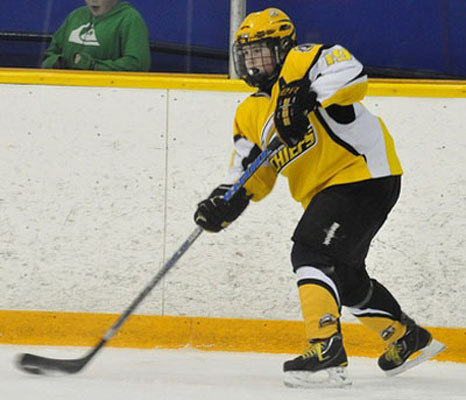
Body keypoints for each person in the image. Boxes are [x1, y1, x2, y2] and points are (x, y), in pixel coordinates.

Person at [193, 8, 446, 388]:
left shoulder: (303, 61)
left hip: (362, 174)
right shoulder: (249, 113)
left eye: (261, 51)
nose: (254, 61)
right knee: (342, 275)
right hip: (331, 191)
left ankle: (326, 352)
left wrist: (304, 94)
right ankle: (406, 339)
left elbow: (351, 73)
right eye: (247, 54)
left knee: (311, 252)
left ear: (281, 48)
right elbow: (249, 175)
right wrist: (223, 203)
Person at [41, 0, 151, 71]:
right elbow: (49, 56)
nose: (94, 0)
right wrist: (58, 63)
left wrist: (93, 66)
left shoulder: (130, 18)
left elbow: (138, 64)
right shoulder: (76, 16)